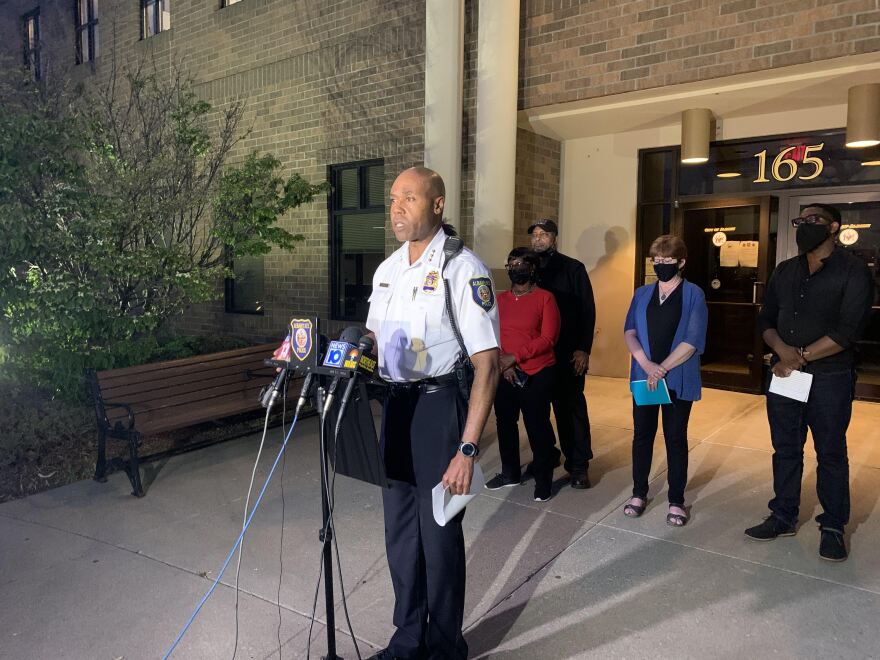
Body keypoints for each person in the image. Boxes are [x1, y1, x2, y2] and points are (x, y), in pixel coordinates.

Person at [365, 166, 500, 659]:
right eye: (393, 199)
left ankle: (444, 647)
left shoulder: (463, 269)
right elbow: (374, 343)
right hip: (396, 408)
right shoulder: (387, 270)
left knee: (439, 537)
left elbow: (488, 366)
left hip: (441, 408)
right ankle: (406, 641)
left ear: (437, 205)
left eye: (410, 198)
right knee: (401, 534)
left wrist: (467, 448)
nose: (397, 208)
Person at [744, 203, 873, 562]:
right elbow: (767, 318)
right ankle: (783, 515)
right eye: (799, 221)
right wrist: (782, 351)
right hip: (786, 374)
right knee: (785, 447)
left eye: (812, 220)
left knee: (830, 452)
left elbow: (848, 331)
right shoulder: (786, 270)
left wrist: (797, 357)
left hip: (829, 376)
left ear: (834, 227)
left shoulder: (853, 271)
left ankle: (833, 525)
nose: (803, 226)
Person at [622, 235, 707, 526]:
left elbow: (692, 341)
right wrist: (646, 365)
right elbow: (630, 331)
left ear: (681, 262)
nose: (660, 266)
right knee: (642, 435)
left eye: (667, 261)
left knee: (675, 438)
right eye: (656, 261)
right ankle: (638, 492)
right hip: (644, 377)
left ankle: (676, 500)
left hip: (677, 377)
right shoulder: (642, 293)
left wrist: (661, 369)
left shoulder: (694, 294)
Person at [485, 248, 561, 502]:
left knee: (536, 425)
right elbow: (492, 334)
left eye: (520, 263)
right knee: (505, 423)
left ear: (532, 268)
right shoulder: (500, 300)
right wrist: (505, 364)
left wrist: (516, 358)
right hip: (505, 371)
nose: (515, 267)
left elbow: (548, 338)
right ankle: (510, 474)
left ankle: (543, 480)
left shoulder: (545, 298)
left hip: (537, 371)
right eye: (511, 264)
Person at [529, 219, 596, 488]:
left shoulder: (573, 268)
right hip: (536, 354)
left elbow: (587, 310)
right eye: (535, 235)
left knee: (570, 410)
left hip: (567, 352)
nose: (538, 239)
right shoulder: (529, 268)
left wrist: (584, 349)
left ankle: (578, 465)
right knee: (537, 410)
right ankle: (547, 455)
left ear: (555, 237)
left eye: (543, 234)